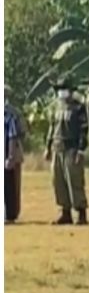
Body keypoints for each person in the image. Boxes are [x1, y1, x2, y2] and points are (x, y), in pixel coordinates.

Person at [45, 80, 89, 225]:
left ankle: (81, 212)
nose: (62, 92)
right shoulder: (55, 106)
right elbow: (52, 128)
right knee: (58, 182)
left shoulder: (78, 107)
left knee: (74, 181)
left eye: (65, 89)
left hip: (72, 147)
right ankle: (65, 212)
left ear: (71, 90)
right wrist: (48, 147)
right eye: (60, 89)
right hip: (57, 147)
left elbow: (84, 130)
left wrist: (81, 150)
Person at [4, 87, 26, 224]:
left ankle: (11, 214)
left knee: (10, 185)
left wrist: (11, 156)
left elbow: (15, 135)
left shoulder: (11, 113)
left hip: (9, 150)